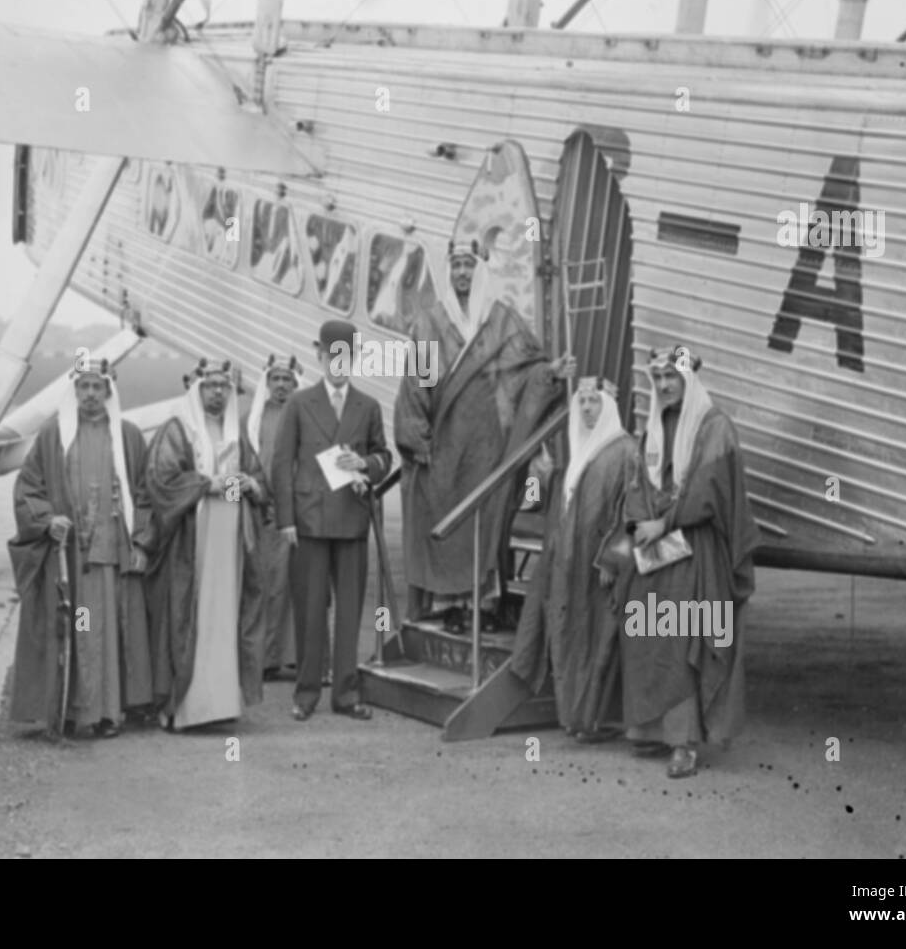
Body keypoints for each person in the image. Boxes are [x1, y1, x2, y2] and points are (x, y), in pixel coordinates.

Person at [394, 239, 572, 629]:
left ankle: (484, 605)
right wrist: (416, 436)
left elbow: (525, 373)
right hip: (444, 445)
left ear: (481, 271)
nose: (461, 273)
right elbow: (417, 384)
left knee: (486, 521)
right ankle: (449, 606)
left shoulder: (502, 320)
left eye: (468, 266)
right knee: (449, 523)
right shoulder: (430, 323)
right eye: (455, 265)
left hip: (489, 447)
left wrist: (550, 374)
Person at [620, 347, 761, 779]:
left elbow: (709, 490)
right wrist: (641, 518)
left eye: (672, 378)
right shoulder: (655, 426)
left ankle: (684, 744)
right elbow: (639, 480)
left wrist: (664, 522)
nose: (663, 386)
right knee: (649, 633)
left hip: (696, 548)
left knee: (685, 642)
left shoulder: (715, 426)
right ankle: (651, 729)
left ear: (689, 380)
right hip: (659, 548)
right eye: (657, 378)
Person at [8, 362, 154, 737]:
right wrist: (46, 519)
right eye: (84, 386)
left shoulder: (129, 436)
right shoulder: (53, 436)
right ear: (74, 391)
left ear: (109, 393)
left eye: (97, 387)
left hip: (113, 559)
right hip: (71, 560)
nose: (90, 394)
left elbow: (146, 494)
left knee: (106, 631)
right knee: (81, 626)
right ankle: (76, 709)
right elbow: (28, 487)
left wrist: (141, 541)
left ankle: (108, 712)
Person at [272, 320, 391, 722]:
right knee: (309, 610)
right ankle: (306, 694)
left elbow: (384, 457)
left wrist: (367, 465)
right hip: (309, 522)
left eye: (346, 355)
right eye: (330, 354)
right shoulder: (299, 404)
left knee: (350, 611)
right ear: (320, 356)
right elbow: (281, 464)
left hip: (351, 522)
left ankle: (346, 693)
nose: (338, 362)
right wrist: (286, 520)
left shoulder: (368, 406)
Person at [509, 378, 638, 741]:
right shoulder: (580, 450)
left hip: (598, 568)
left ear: (609, 406)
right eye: (581, 402)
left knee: (597, 641)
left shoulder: (626, 451)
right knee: (573, 639)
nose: (586, 409)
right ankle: (577, 719)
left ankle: (594, 720)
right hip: (570, 565)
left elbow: (633, 513)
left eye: (594, 402)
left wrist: (613, 559)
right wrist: (547, 480)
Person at [144, 359, 266, 730]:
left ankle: (221, 705)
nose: (217, 392)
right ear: (197, 389)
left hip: (230, 540)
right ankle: (186, 708)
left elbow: (256, 476)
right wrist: (208, 485)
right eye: (210, 385)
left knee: (225, 616)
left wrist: (251, 485)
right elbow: (161, 480)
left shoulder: (236, 431)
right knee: (192, 615)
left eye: (223, 387)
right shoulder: (178, 429)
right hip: (193, 538)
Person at [246, 354, 303, 679]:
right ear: (267, 383)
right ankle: (265, 659)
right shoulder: (251, 419)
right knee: (267, 585)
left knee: (300, 586)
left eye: (287, 380)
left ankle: (300, 657)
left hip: (299, 513)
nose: (281, 385)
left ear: (296, 384)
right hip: (263, 513)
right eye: (276, 379)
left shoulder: (305, 414)